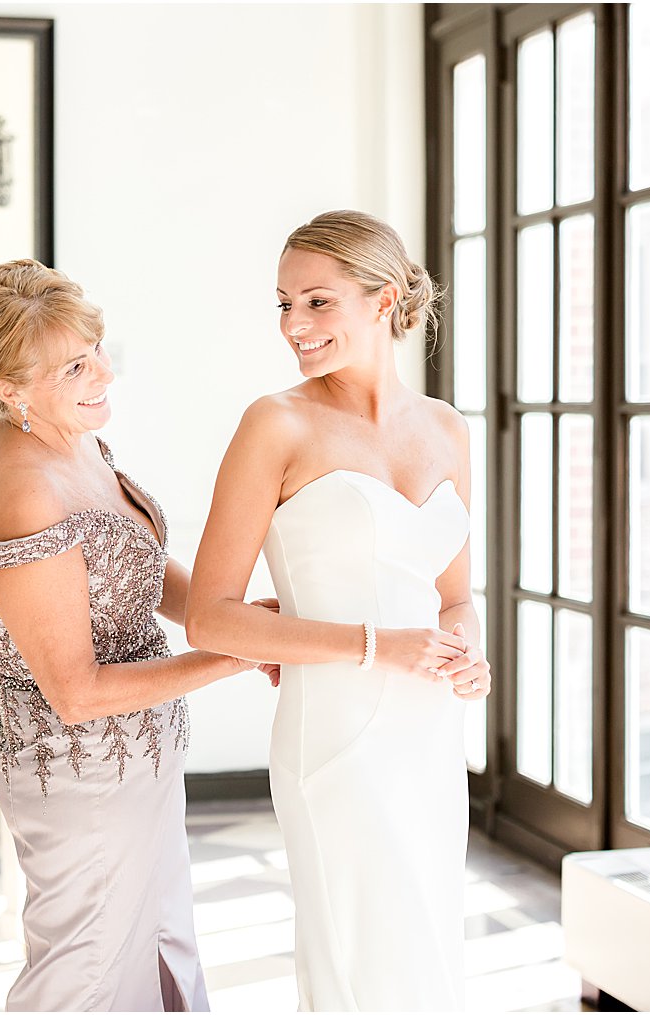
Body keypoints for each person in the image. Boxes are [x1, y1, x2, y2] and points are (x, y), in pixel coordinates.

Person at [0, 259, 271, 1012]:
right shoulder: (23, 485)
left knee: (157, 956)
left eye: (98, 349)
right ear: (8, 389)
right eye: (77, 366)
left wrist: (238, 615)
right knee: (83, 981)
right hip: (79, 779)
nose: (104, 374)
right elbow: (76, 694)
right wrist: (231, 654)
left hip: (144, 760)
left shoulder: (74, 437)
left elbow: (139, 566)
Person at [185, 210, 493, 1011]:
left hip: (428, 737)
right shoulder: (275, 423)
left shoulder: (449, 428)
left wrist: (468, 651)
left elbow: (455, 595)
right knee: (358, 960)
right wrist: (374, 645)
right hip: (336, 740)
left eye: (317, 302)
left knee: (428, 948)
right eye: (284, 303)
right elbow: (209, 617)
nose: (294, 324)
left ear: (383, 300)